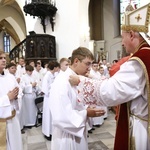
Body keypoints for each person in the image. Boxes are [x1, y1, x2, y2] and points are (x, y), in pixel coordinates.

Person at [69, 3, 150, 150]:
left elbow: (112, 91)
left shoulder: (139, 61)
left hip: (141, 128)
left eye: (123, 37)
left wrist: (80, 81)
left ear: (132, 34)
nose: (122, 43)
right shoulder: (147, 55)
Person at [49, 47, 105, 150]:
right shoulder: (61, 81)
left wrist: (87, 106)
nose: (89, 68)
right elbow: (60, 116)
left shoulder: (77, 78)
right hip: (66, 137)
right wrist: (86, 113)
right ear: (76, 61)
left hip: (77, 131)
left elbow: (77, 102)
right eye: (87, 64)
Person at [0, 50, 23, 150]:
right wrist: (7, 98)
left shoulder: (10, 77)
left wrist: (17, 95)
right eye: (0, 58)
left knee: (15, 145)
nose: (4, 60)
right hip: (1, 122)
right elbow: (8, 97)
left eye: (4, 58)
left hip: (13, 119)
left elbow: (19, 92)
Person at [41, 61, 60, 141]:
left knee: (52, 116)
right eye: (58, 67)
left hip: (54, 98)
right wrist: (53, 88)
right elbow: (45, 89)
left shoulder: (54, 75)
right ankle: (47, 132)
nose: (58, 69)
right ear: (55, 67)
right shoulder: (47, 76)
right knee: (48, 116)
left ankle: (52, 132)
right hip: (48, 98)